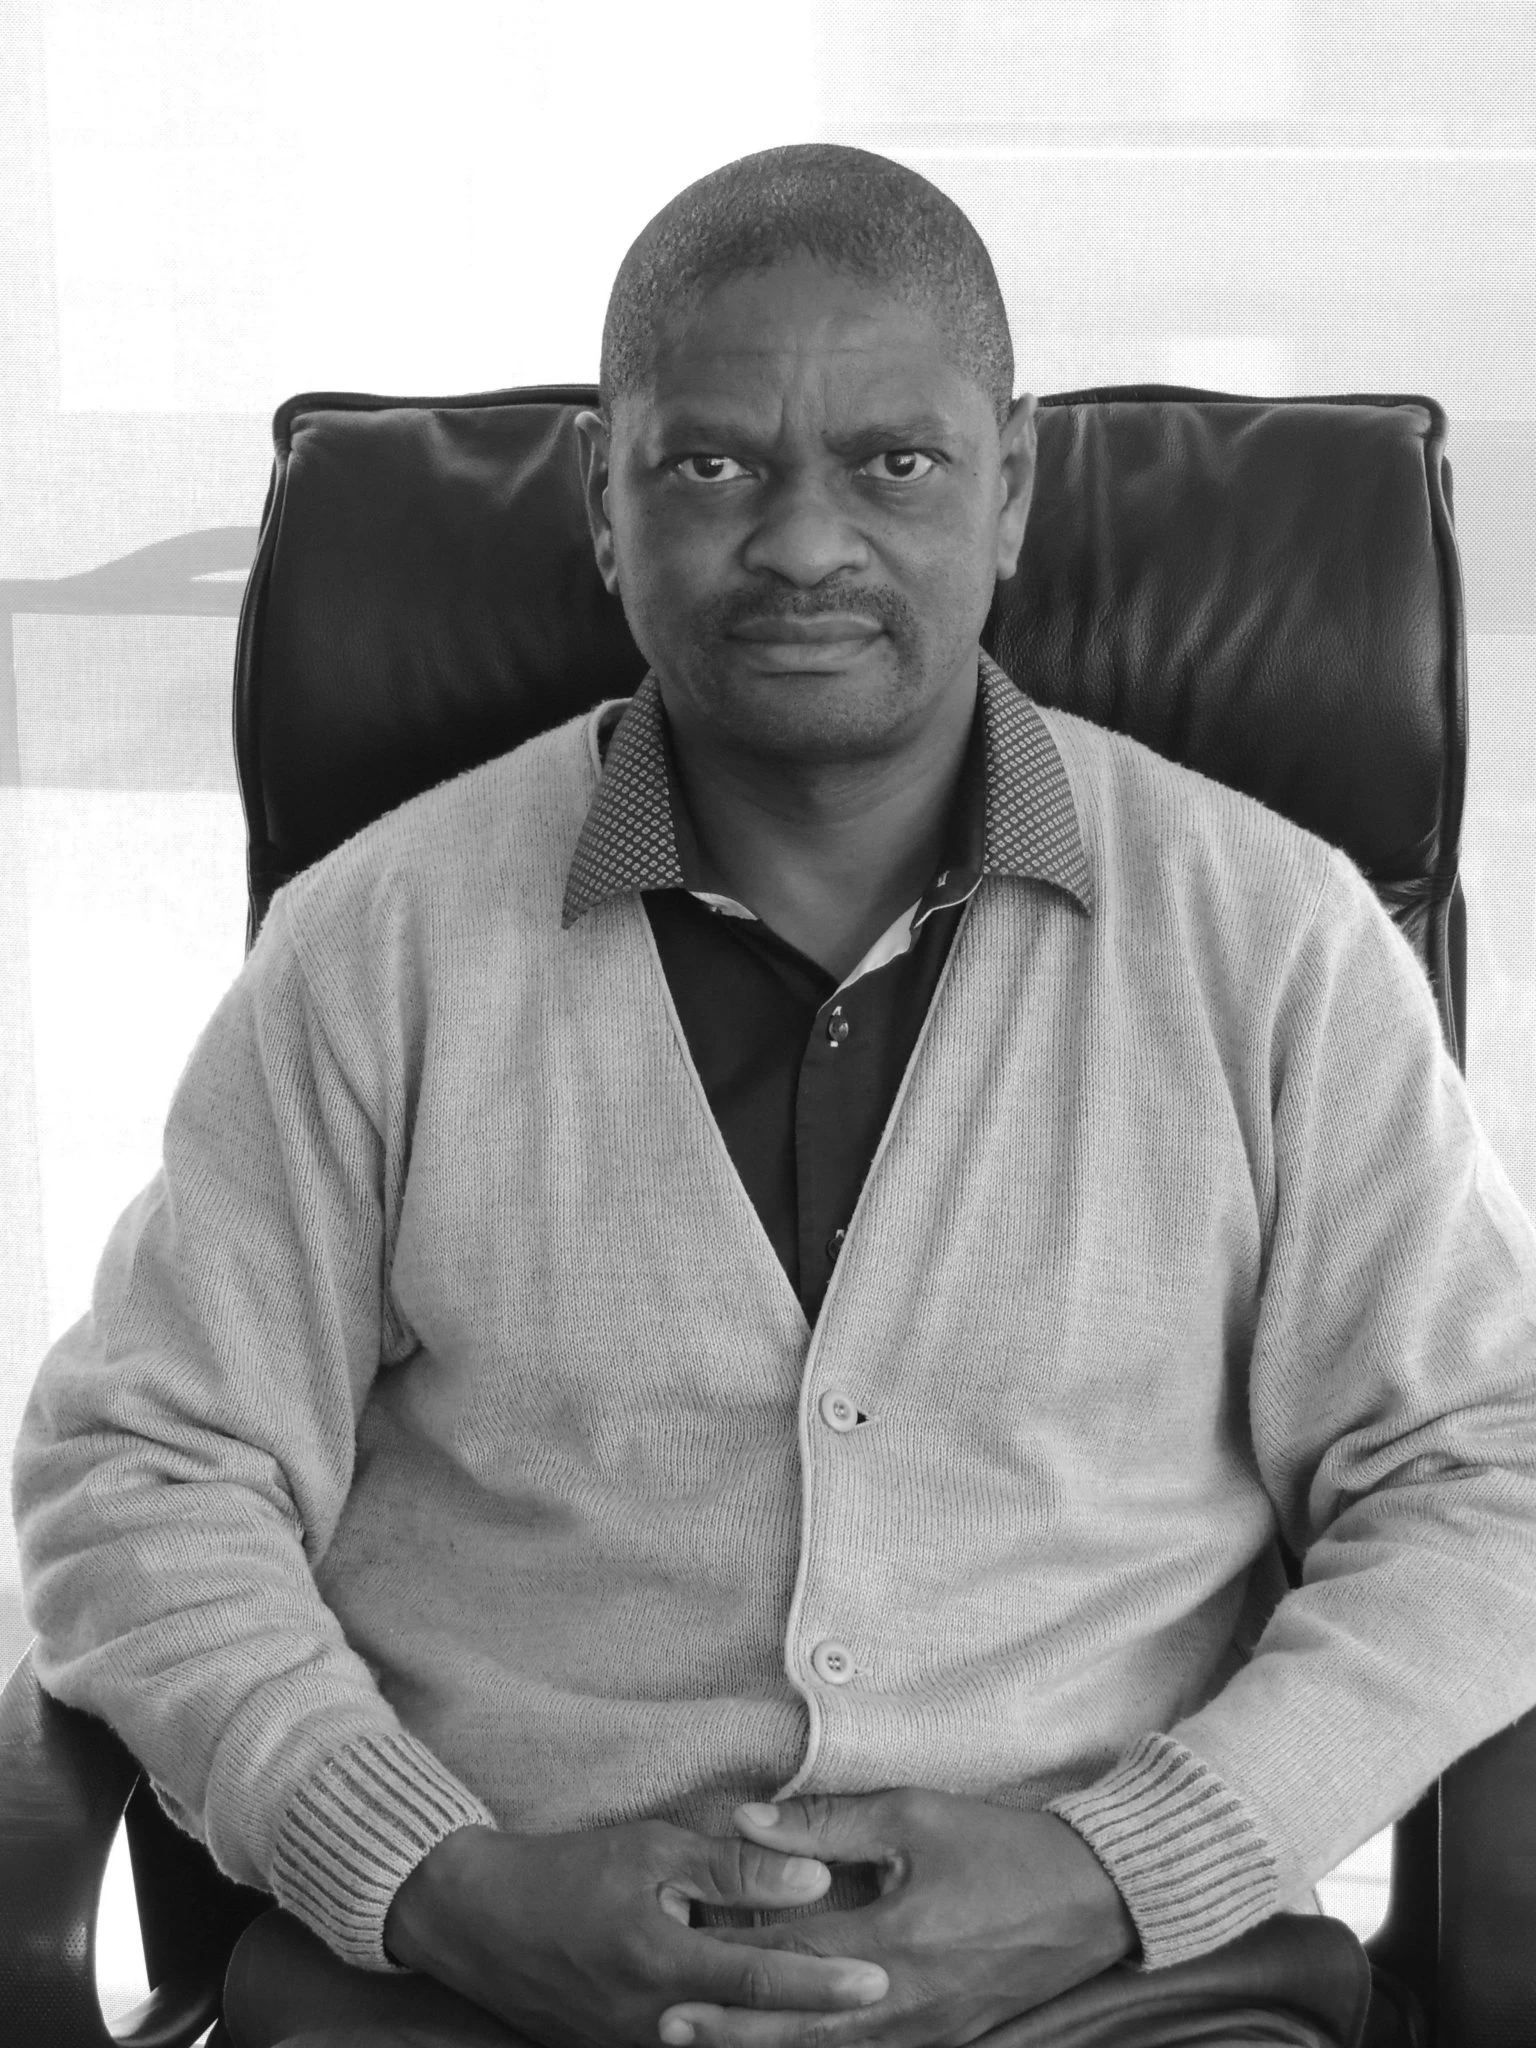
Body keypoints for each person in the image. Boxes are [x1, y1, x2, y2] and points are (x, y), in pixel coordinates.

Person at [12, 142, 1536, 2048]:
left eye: (893, 462)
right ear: (605, 499)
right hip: (487, 1990)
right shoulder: (375, 947)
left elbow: (1484, 1475)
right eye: (715, 466)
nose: (808, 545)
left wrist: (1130, 1865)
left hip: (1118, 1997)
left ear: (1010, 488)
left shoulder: (1275, 941)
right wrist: (425, 1874)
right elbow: (143, 1474)